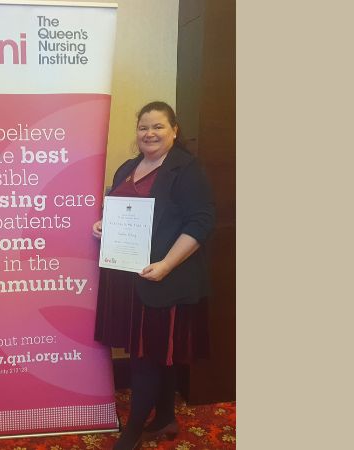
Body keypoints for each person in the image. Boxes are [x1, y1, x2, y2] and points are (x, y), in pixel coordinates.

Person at [92, 101, 215, 449]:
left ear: (174, 130)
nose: (150, 133)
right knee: (158, 352)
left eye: (158, 126)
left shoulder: (187, 169)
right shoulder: (127, 168)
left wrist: (166, 265)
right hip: (129, 280)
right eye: (144, 127)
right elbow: (116, 208)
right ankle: (165, 418)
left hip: (165, 279)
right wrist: (105, 224)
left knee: (147, 357)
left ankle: (132, 433)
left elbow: (201, 222)